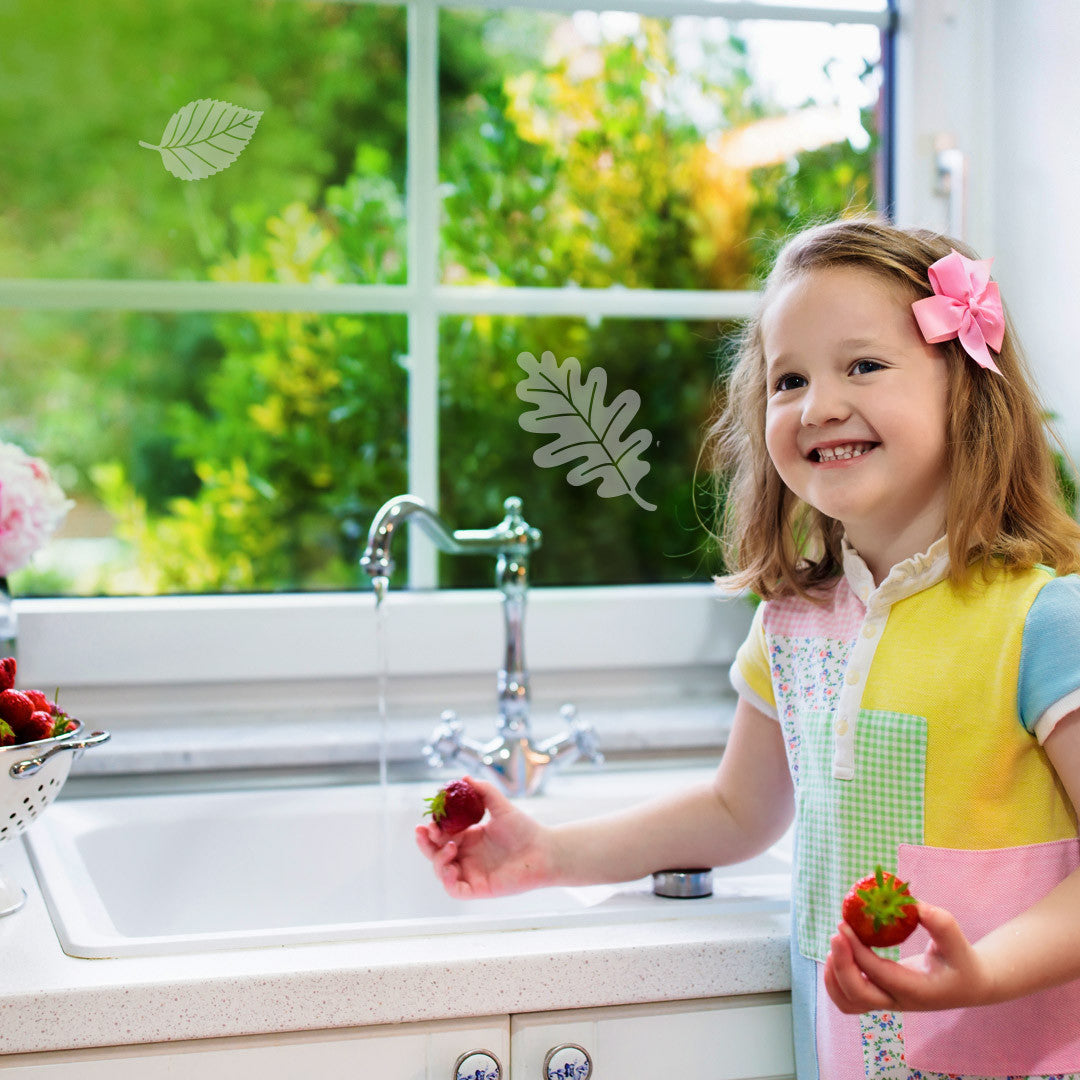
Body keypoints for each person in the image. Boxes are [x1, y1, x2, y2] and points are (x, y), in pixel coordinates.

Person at [416, 217, 1080, 1079]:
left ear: (965, 386)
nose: (819, 405)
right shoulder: (794, 623)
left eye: (863, 365)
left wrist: (981, 972)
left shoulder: (1041, 620)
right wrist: (546, 852)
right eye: (788, 378)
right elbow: (739, 811)